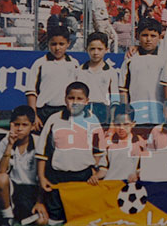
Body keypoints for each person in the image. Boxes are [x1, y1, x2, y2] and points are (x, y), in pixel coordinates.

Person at [36, 82, 107, 225]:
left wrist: (94, 171)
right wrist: (42, 177)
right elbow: (42, 153)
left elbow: (98, 151)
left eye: (79, 99)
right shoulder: (54, 120)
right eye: (71, 98)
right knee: (55, 215)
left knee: (81, 215)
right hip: (58, 176)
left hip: (83, 177)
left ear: (86, 101)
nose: (75, 102)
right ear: (65, 99)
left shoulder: (92, 121)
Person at [0, 105, 48, 226]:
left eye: (24, 125)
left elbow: (45, 176)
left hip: (33, 189)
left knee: (42, 221)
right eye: (16, 124)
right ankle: (7, 217)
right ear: (11, 125)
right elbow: (1, 170)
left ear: (32, 126)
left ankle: (22, 213)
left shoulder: (39, 142)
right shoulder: (5, 141)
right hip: (14, 187)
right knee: (1, 178)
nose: (19, 129)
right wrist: (10, 145)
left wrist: (40, 201)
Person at [25, 26, 80, 131]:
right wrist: (34, 116)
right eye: (53, 44)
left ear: (68, 43)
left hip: (65, 111)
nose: (57, 48)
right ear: (48, 43)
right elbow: (31, 92)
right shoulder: (40, 63)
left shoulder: (74, 64)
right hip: (43, 112)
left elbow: (77, 92)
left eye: (61, 44)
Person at [119, 18, 166, 125]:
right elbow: (123, 89)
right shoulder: (130, 59)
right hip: (136, 113)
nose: (148, 39)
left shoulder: (165, 58)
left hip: (159, 114)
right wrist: (125, 110)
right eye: (145, 35)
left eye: (153, 36)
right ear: (137, 36)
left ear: (160, 37)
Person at [76, 32, 121, 125]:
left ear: (106, 50)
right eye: (92, 49)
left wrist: (112, 120)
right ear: (86, 49)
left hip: (103, 112)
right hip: (83, 111)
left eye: (100, 49)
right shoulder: (79, 70)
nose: (96, 52)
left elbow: (115, 99)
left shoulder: (111, 72)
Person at [103, 104, 146, 181]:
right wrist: (95, 177)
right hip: (111, 183)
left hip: (131, 184)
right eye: (118, 124)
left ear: (133, 124)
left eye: (126, 124)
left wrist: (137, 175)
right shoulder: (107, 142)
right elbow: (103, 169)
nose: (121, 128)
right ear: (114, 123)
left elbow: (143, 168)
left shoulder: (140, 143)